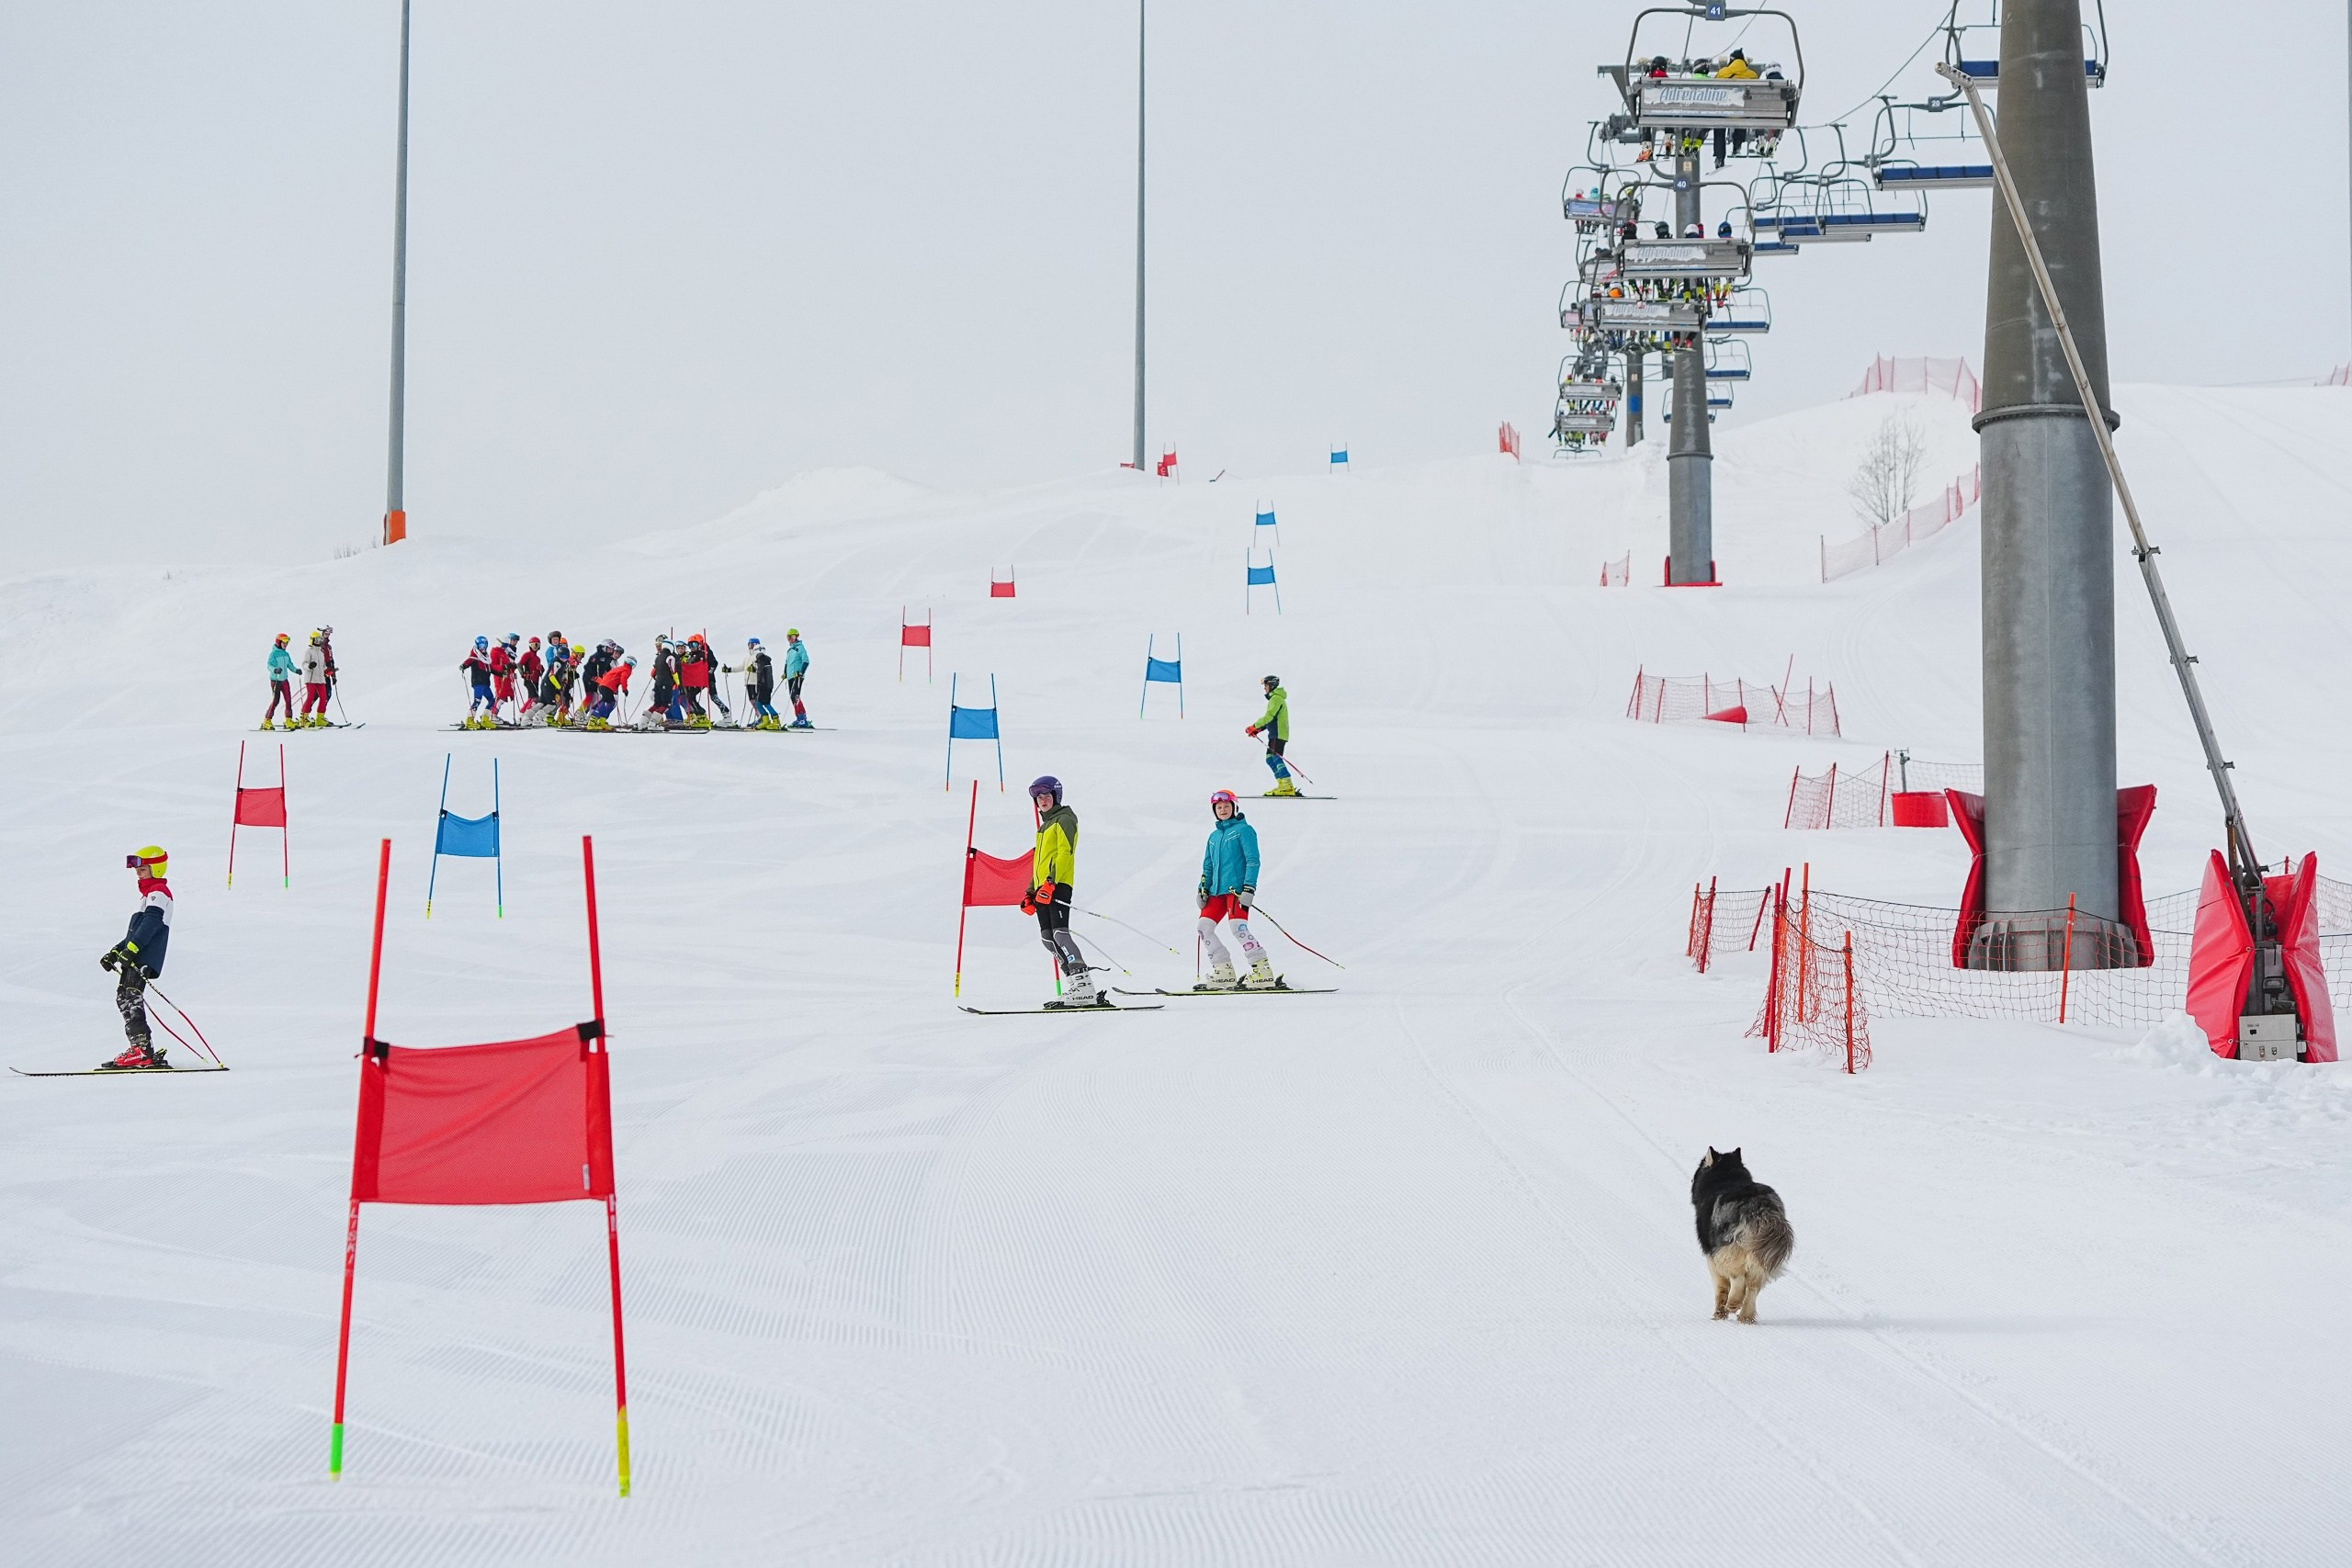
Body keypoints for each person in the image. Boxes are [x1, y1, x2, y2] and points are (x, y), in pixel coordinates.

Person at [1022, 775, 1097, 1007]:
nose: (1042, 800)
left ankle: (1084, 987)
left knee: (1060, 934)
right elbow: (1039, 863)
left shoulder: (1065, 818)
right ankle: (1074, 984)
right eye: (1038, 797)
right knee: (1047, 939)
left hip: (1058, 886)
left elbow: (1066, 853)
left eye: (1046, 796)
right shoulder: (1044, 826)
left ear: (1056, 796)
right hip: (1043, 889)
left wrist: (1052, 883)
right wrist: (1030, 891)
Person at [98, 847, 175, 1069]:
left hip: (144, 956)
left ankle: (141, 1051)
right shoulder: (148, 895)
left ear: (156, 868)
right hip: (138, 954)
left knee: (129, 997)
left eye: (142, 869)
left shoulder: (159, 892)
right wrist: (117, 950)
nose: (138, 874)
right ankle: (142, 1048)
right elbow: (136, 931)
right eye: (137, 870)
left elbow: (151, 924)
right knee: (125, 996)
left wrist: (132, 948)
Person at [1197, 790, 1278, 989]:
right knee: (1204, 928)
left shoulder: (1244, 830)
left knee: (1238, 928)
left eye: (1226, 806)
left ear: (1234, 807)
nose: (1223, 810)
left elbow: (1253, 861)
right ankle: (1223, 971)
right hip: (1216, 892)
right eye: (1219, 807)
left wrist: (1249, 888)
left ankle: (1262, 971)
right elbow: (1207, 867)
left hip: (1236, 891)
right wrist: (1203, 889)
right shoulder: (1214, 836)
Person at [1245, 674, 1296, 796]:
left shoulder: (1276, 699)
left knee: (1276, 758)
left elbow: (1269, 717)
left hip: (1278, 734)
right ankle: (1282, 785)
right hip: (1274, 734)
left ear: (1272, 685)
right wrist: (1258, 730)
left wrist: (1254, 726)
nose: (1265, 688)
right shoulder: (1275, 698)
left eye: (1266, 685)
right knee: (1270, 759)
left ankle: (1287, 786)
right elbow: (1271, 720)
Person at [738, 637, 780, 728]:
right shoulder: (761, 660)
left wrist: (754, 670)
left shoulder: (761, 660)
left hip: (763, 685)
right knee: (761, 703)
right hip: (765, 685)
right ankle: (766, 719)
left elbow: (762, 673)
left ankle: (774, 720)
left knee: (762, 703)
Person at [583, 655, 636, 729]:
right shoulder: (627, 670)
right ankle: (593, 720)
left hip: (603, 686)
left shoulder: (620, 668)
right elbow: (623, 678)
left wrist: (614, 689)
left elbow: (609, 677)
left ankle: (600, 720)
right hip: (607, 687)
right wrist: (624, 689)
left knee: (609, 702)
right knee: (610, 703)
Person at [263, 634, 299, 730]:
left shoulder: (286, 654)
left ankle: (288, 720)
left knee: (288, 700)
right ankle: (267, 721)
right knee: (276, 701)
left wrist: (296, 670)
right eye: (284, 642)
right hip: (276, 680)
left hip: (284, 680)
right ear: (279, 642)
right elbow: (269, 665)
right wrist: (275, 669)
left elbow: (290, 665)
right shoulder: (273, 654)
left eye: (287, 643)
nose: (286, 644)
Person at [460, 636, 497, 728]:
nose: (483, 648)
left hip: (485, 684)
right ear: (477, 646)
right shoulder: (474, 656)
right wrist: (463, 666)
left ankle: (485, 719)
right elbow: (468, 662)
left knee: (492, 701)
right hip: (478, 683)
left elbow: (492, 669)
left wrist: (502, 673)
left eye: (484, 645)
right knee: (477, 700)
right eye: (481, 646)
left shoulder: (487, 659)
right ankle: (469, 720)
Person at [678, 636, 714, 728]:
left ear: (698, 645)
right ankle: (697, 715)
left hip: (698, 681)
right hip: (691, 681)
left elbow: (702, 665)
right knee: (689, 697)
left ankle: (701, 714)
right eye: (690, 645)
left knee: (690, 696)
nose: (693, 646)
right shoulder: (690, 655)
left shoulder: (701, 654)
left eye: (694, 644)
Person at [783, 628, 812, 728]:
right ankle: (799, 718)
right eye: (788, 637)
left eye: (791, 637)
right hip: (791, 676)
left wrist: (801, 672)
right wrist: (785, 673)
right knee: (792, 697)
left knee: (796, 696)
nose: (789, 639)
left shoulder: (800, 647)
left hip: (797, 676)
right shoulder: (790, 650)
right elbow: (787, 663)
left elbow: (806, 661)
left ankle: (802, 719)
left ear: (796, 636)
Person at [517, 637, 545, 719]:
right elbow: (519, 664)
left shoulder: (538, 658)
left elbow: (540, 672)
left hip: (536, 681)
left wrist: (541, 669)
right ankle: (527, 715)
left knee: (531, 698)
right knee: (535, 698)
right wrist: (523, 674)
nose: (535, 647)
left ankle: (521, 715)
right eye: (533, 645)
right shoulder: (527, 655)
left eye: (537, 645)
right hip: (529, 680)